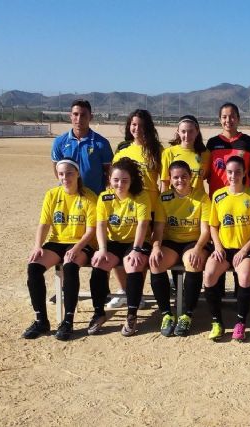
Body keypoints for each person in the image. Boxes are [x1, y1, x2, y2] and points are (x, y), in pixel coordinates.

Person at [22, 159, 97, 340]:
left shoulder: (89, 196)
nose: (65, 177)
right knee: (33, 267)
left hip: (82, 243)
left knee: (70, 266)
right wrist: (37, 246)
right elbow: (44, 224)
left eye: (69, 173)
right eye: (61, 174)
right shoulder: (52, 195)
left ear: (77, 174)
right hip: (57, 242)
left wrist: (77, 248)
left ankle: (68, 321)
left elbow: (91, 230)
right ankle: (41, 320)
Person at [203, 156, 250, 341]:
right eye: (230, 172)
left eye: (238, 172)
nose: (233, 176)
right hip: (224, 249)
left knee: (244, 277)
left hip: (246, 249)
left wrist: (244, 250)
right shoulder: (218, 195)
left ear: (244, 173)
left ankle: (240, 322)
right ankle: (217, 322)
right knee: (209, 275)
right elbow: (213, 226)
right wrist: (218, 246)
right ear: (225, 173)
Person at [90, 158, 152, 336]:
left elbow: (143, 224)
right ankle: (99, 313)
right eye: (116, 180)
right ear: (109, 179)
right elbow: (101, 225)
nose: (120, 184)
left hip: (137, 241)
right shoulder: (105, 197)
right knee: (99, 264)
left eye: (125, 180)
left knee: (133, 264)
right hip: (114, 242)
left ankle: (131, 315)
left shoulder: (141, 196)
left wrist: (136, 249)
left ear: (132, 180)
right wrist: (102, 249)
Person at [108, 109, 163, 308]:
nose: (136, 128)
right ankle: (124, 290)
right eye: (133, 124)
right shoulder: (123, 149)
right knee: (119, 244)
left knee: (141, 250)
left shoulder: (156, 150)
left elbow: (164, 181)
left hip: (150, 206)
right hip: (125, 207)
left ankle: (136, 293)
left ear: (148, 127)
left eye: (141, 125)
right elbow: (114, 180)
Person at [149, 160, 211, 337]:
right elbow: (158, 229)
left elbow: (205, 231)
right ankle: (166, 314)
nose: (180, 180)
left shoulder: (202, 197)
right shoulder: (164, 198)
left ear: (190, 177)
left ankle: (187, 315)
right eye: (175, 177)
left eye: (184, 176)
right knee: (156, 263)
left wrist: (198, 248)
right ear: (170, 179)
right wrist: (156, 247)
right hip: (172, 242)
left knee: (192, 262)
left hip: (194, 241)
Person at [51, 99, 113, 195]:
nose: (79, 119)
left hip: (94, 198)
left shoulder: (102, 143)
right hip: (69, 198)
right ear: (70, 116)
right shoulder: (59, 142)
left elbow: (109, 173)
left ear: (90, 117)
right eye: (75, 114)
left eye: (83, 115)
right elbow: (57, 170)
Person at [206, 103, 250, 196]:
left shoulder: (249, 142)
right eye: (224, 117)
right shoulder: (212, 143)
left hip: (243, 197)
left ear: (238, 119)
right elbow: (207, 173)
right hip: (218, 197)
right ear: (220, 120)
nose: (228, 120)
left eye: (232, 117)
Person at [160, 115, 210, 193]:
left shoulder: (206, 154)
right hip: (176, 199)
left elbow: (205, 177)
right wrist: (163, 199)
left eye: (191, 131)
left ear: (197, 131)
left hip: (198, 199)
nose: (187, 135)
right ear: (178, 132)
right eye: (183, 131)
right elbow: (165, 183)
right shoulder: (168, 153)